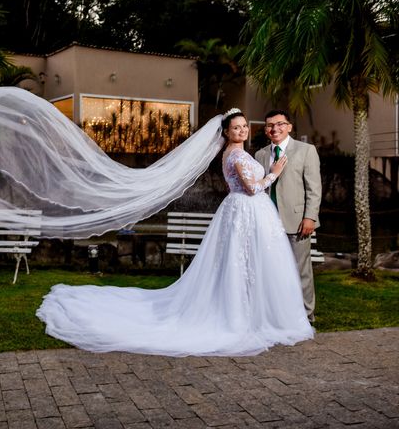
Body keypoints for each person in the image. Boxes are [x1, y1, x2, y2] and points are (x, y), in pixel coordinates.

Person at [36, 109, 313, 357]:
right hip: (246, 209)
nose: (242, 130)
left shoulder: (236, 153)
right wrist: (274, 173)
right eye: (236, 127)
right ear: (226, 132)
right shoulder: (237, 154)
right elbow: (252, 188)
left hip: (246, 212)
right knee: (240, 263)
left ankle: (253, 312)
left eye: (244, 126)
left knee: (242, 264)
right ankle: (244, 316)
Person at [255, 110, 321, 323]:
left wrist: (310, 217)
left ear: (289, 126)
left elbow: (314, 188)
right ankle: (279, 315)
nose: (274, 129)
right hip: (268, 223)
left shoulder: (305, 151)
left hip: (297, 222)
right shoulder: (260, 155)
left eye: (280, 124)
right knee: (273, 272)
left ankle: (306, 316)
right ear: (265, 129)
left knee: (300, 272)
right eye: (269, 125)